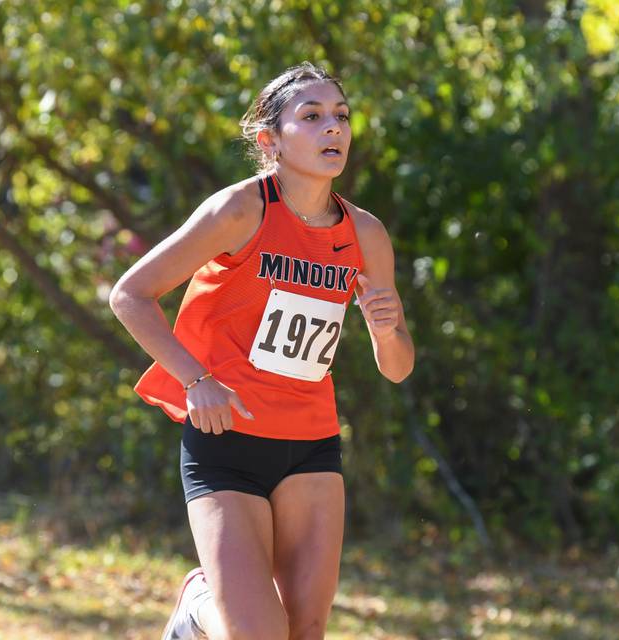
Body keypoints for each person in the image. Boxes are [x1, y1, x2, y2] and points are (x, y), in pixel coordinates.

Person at [109, 61, 414, 640]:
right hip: (227, 442)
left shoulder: (365, 234)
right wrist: (195, 379)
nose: (335, 129)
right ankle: (198, 606)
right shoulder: (241, 210)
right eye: (313, 116)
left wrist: (386, 330)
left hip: (312, 446)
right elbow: (130, 295)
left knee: (305, 633)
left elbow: (397, 369)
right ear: (270, 140)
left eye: (342, 116)